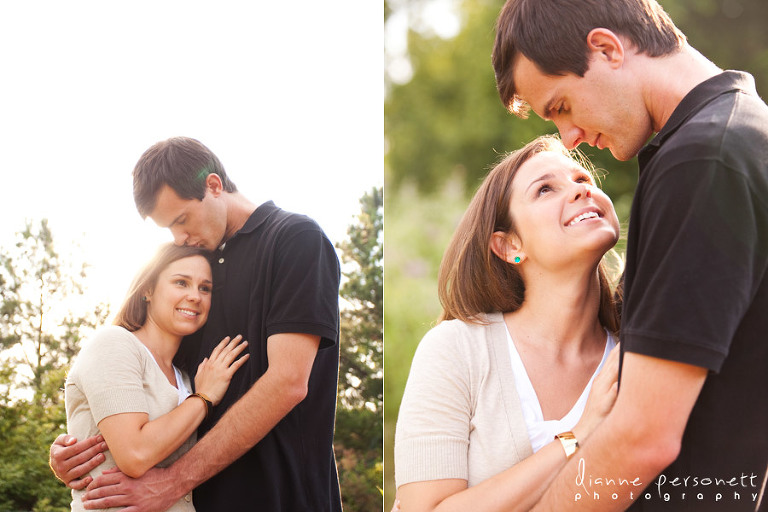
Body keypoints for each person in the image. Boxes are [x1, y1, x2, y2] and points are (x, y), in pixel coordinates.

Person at [492, 1, 768, 510]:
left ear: (606, 48)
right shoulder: (737, 135)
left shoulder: (704, 161)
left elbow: (645, 436)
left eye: (561, 107)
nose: (569, 139)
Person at [50, 137, 342, 511]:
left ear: (214, 186)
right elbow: (154, 389)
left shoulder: (295, 239)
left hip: (283, 496)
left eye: (181, 220)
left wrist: (171, 482)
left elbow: (287, 382)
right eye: (168, 230)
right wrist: (80, 447)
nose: (179, 238)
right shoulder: (198, 266)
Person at [394, 135, 622, 511]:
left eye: (583, 180)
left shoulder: (633, 356)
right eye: (545, 189)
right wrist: (579, 434)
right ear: (510, 246)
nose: (581, 192)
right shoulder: (456, 350)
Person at [66, 243, 249, 511]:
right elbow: (135, 454)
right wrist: (203, 398)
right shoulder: (114, 344)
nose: (195, 296)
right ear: (148, 290)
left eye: (205, 288)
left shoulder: (186, 376)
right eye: (181, 282)